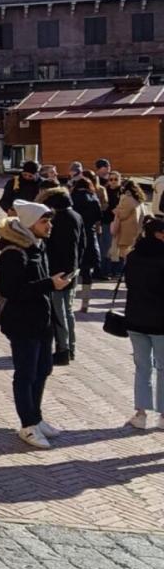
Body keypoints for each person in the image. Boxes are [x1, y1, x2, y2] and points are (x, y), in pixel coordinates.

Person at [0, 199, 71, 450]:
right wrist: (49, 284)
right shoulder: (13, 252)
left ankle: (36, 418)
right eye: (44, 221)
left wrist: (55, 282)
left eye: (49, 220)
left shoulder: (38, 246)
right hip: (22, 322)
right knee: (26, 373)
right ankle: (27, 424)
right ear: (30, 224)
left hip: (42, 320)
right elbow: (11, 290)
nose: (49, 225)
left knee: (43, 369)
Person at [123, 215, 164, 428]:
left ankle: (141, 413)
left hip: (135, 318)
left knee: (142, 367)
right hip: (160, 321)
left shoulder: (133, 256)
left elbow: (129, 284)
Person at [41, 185, 83, 364]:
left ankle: (63, 350)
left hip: (57, 271)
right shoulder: (76, 216)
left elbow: (48, 247)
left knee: (58, 313)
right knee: (68, 311)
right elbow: (83, 244)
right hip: (72, 269)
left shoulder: (57, 219)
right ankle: (71, 347)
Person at [69, 173, 103, 314]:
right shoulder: (93, 199)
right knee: (87, 271)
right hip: (89, 236)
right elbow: (99, 218)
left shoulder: (71, 199)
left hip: (74, 236)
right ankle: (85, 303)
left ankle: (69, 300)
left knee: (71, 269)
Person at [111, 179, 147, 265]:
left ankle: (126, 274)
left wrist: (116, 209)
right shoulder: (139, 200)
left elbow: (122, 214)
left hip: (126, 232)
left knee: (125, 255)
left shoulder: (127, 199)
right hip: (136, 231)